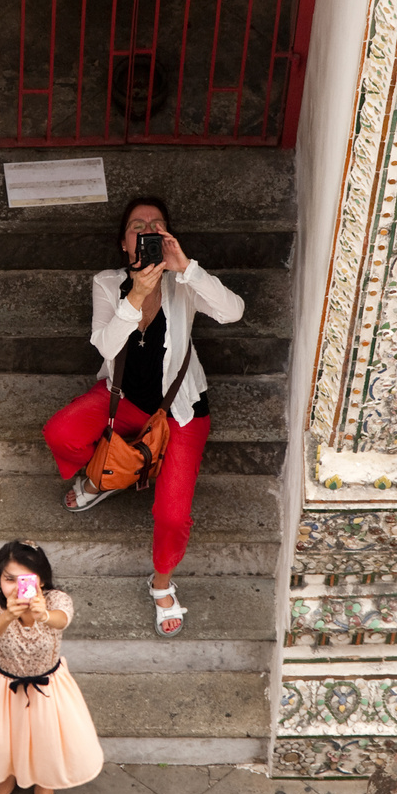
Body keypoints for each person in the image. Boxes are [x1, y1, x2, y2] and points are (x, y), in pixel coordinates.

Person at [42, 196, 244, 636]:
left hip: (182, 411)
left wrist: (185, 266)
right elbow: (105, 347)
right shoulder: (108, 281)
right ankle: (104, 477)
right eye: (138, 225)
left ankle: (161, 583)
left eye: (157, 224)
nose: (148, 230)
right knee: (60, 433)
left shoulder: (185, 281)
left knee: (173, 515)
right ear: (124, 241)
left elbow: (233, 312)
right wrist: (135, 295)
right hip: (124, 400)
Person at [0, 540, 102, 794]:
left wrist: (44, 615)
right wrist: (8, 614)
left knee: (47, 739)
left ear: (41, 579)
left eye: (26, 579)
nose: (17, 588)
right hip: (4, 687)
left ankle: (44, 783)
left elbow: (61, 620)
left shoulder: (56, 600)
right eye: (8, 579)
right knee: (4, 739)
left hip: (48, 686)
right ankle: (5, 780)